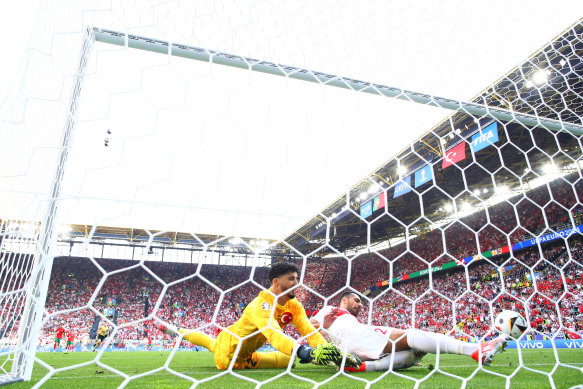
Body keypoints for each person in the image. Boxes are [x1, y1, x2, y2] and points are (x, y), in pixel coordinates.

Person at [158, 262, 360, 370]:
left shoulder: (293, 304)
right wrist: (306, 352)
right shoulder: (260, 305)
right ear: (275, 282)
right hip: (227, 354)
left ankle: (174, 330)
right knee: (212, 344)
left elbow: (307, 329)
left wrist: (330, 351)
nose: (296, 283)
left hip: (247, 356)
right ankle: (174, 330)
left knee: (288, 362)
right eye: (291, 279)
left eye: (297, 279)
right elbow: (273, 334)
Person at [311, 291, 507, 372]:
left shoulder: (345, 319)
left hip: (349, 348)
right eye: (357, 300)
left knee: (414, 352)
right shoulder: (331, 310)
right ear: (343, 301)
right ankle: (473, 350)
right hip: (357, 336)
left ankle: (361, 367)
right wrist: (321, 324)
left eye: (361, 302)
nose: (360, 305)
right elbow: (308, 324)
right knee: (411, 336)